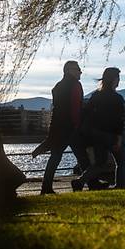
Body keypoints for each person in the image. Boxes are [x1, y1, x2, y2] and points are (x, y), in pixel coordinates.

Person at [38, 60, 90, 195]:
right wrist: (77, 125)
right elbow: (75, 108)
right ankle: (91, 182)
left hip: (59, 127)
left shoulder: (58, 86)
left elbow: (57, 110)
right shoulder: (76, 85)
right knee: (83, 157)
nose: (80, 72)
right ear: (69, 70)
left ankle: (46, 187)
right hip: (72, 128)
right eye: (78, 69)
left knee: (55, 157)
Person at [72, 67, 125, 191]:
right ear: (113, 79)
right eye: (118, 78)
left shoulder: (96, 95)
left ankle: (79, 181)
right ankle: (120, 186)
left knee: (100, 163)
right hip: (111, 135)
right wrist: (118, 139)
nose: (119, 81)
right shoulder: (117, 98)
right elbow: (119, 121)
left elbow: (86, 113)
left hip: (96, 135)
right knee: (122, 162)